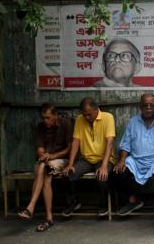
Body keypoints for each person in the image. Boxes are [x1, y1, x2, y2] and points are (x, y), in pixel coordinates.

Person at [113, 94, 154, 231]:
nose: (148, 108)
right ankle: (133, 200)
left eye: (151, 105)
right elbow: (126, 144)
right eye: (145, 105)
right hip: (136, 160)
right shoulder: (133, 122)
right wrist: (122, 160)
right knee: (117, 173)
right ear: (140, 107)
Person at [17, 103, 72, 232]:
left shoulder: (65, 124)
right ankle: (49, 218)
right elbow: (40, 150)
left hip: (61, 160)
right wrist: (44, 156)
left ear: (55, 116)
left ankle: (31, 207)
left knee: (42, 168)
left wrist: (51, 156)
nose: (45, 120)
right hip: (45, 161)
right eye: (43, 118)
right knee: (45, 173)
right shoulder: (39, 128)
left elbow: (69, 149)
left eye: (48, 117)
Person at [62, 97, 116, 217]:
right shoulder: (80, 119)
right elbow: (76, 142)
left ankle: (104, 205)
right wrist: (70, 164)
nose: (86, 117)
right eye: (84, 114)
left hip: (104, 159)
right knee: (68, 174)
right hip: (86, 160)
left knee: (102, 176)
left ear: (96, 109)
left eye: (89, 114)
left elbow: (110, 143)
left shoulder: (108, 117)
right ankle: (73, 202)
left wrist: (103, 166)